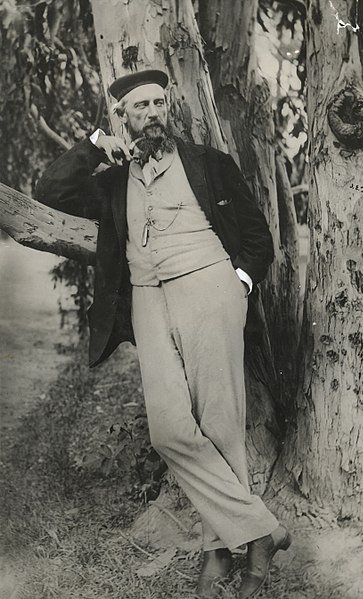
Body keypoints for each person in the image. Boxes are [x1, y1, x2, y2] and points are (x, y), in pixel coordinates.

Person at [35, 69, 291, 598]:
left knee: (220, 421)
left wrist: (236, 283)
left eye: (158, 103)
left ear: (167, 107)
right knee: (169, 429)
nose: (152, 112)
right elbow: (49, 190)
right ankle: (262, 532)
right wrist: (94, 146)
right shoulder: (110, 177)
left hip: (209, 288)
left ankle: (218, 555)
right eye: (140, 106)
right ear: (123, 117)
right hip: (149, 298)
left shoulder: (208, 165)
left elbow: (256, 235)